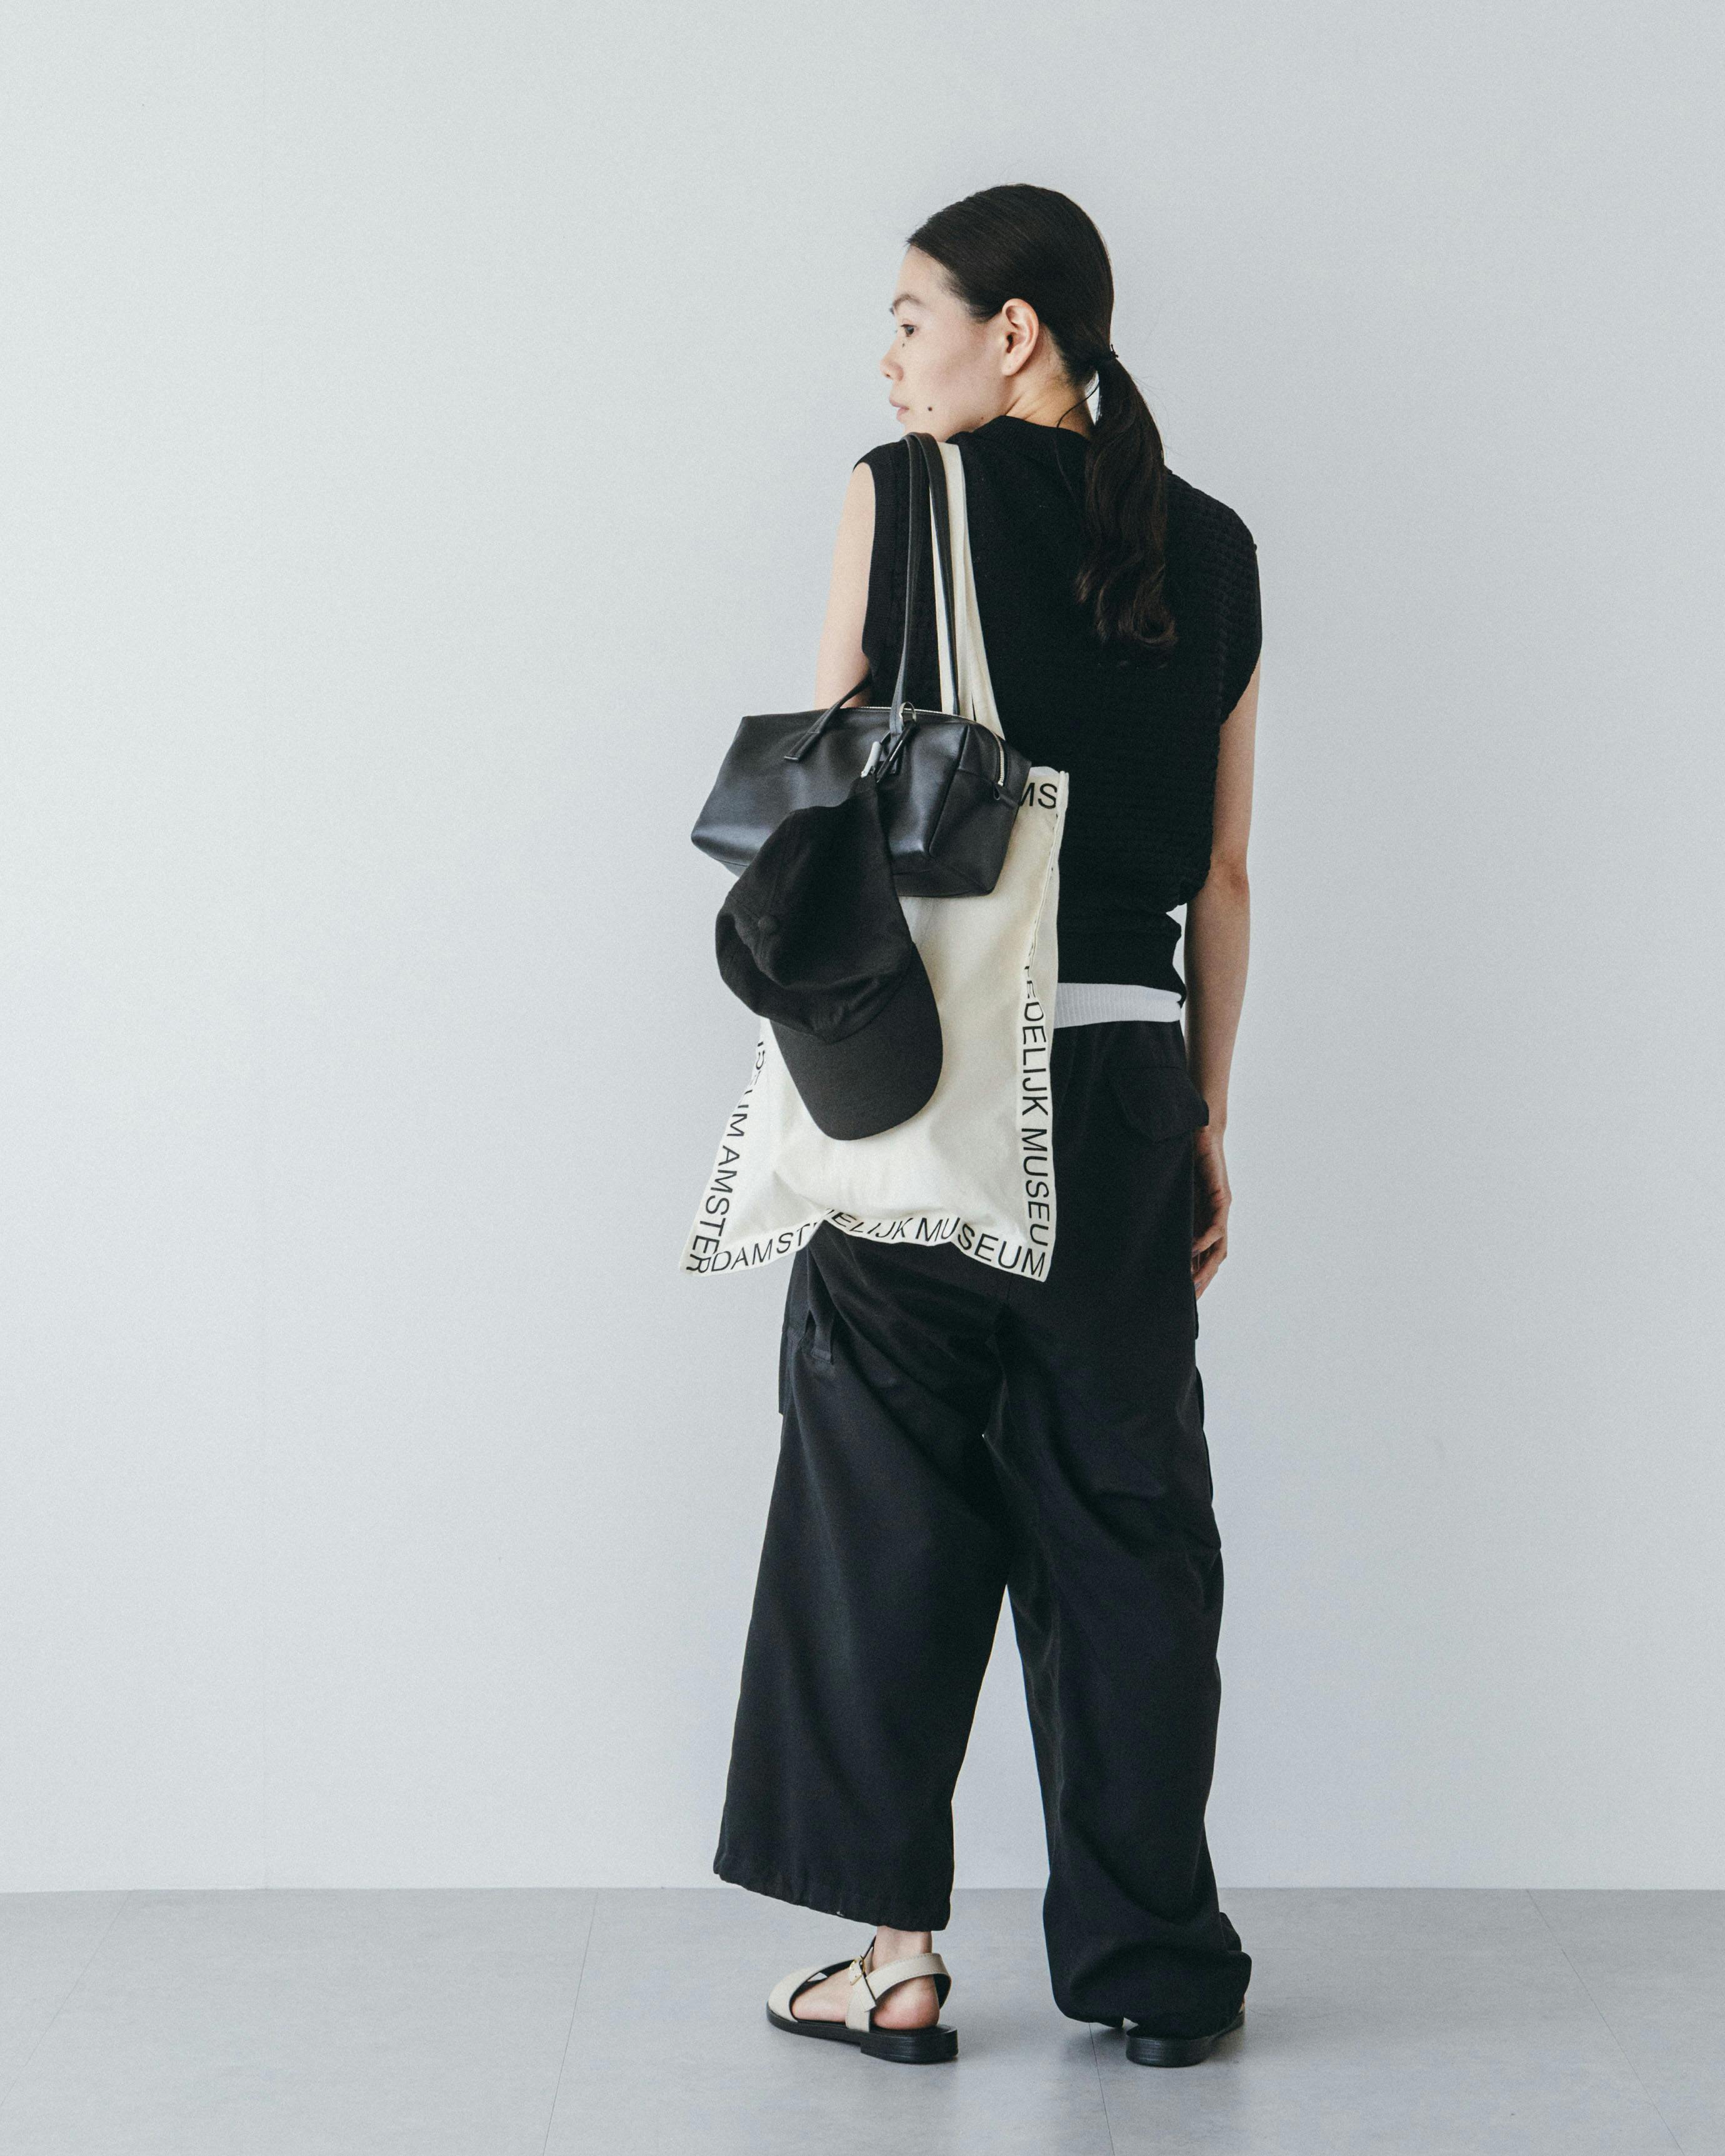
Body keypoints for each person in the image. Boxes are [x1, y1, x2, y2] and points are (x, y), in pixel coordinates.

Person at [712, 184, 1262, 2069]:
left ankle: (896, 1961)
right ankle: (1158, 1969)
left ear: (1011, 332)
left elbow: (822, 813)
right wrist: (1203, 1119)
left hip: (930, 1088)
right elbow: (1223, 875)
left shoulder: (903, 493)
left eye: (909, 318)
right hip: (1126, 1081)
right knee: (1128, 1524)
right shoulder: (1216, 546)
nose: (890, 359)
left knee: (883, 1510)